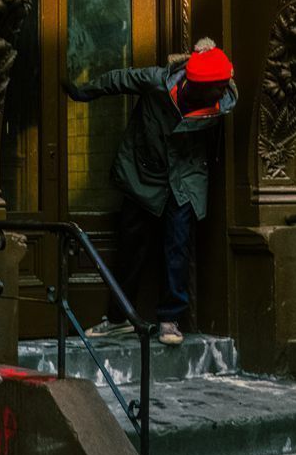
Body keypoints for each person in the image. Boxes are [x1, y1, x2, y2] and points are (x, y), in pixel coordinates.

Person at [63, 38, 237, 345]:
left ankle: (170, 319)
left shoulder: (224, 97)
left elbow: (217, 68)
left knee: (177, 246)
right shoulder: (158, 82)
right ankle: (119, 319)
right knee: (132, 246)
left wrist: (206, 51)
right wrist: (82, 92)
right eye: (217, 88)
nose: (223, 92)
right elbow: (119, 79)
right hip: (144, 172)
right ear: (198, 86)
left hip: (185, 177)